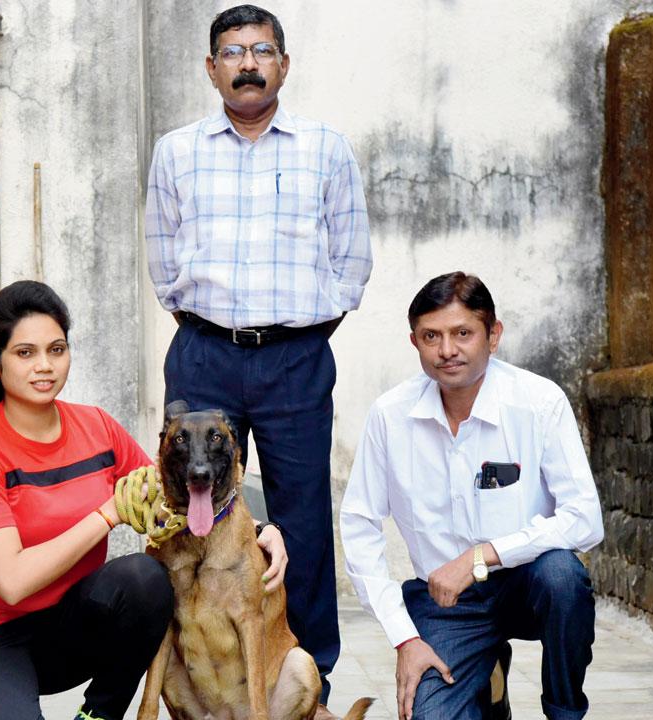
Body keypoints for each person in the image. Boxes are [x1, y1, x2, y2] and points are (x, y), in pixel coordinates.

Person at [0, 281, 287, 720]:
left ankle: (98, 715)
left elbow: (173, 492)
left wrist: (263, 531)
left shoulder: (96, 428)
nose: (44, 366)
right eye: (25, 353)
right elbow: (12, 582)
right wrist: (106, 514)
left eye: (56, 350)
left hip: (63, 629)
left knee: (145, 580)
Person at [143, 5, 372, 707]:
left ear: (283, 64)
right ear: (212, 68)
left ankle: (307, 681)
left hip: (295, 359)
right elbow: (162, 262)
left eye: (262, 50)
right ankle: (193, 675)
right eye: (233, 52)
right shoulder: (177, 151)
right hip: (205, 352)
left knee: (300, 517)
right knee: (188, 506)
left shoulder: (326, 149)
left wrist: (293, 333)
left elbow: (351, 262)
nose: (248, 63)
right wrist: (214, 325)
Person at [339, 272, 605, 720]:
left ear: (493, 335)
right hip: (446, 603)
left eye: (463, 333)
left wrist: (481, 556)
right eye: (431, 336)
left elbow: (584, 519)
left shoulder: (539, 402)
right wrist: (406, 639)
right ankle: (489, 685)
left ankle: (564, 713)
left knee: (563, 577)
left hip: (527, 584)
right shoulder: (391, 415)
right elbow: (359, 525)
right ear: (414, 341)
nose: (447, 350)